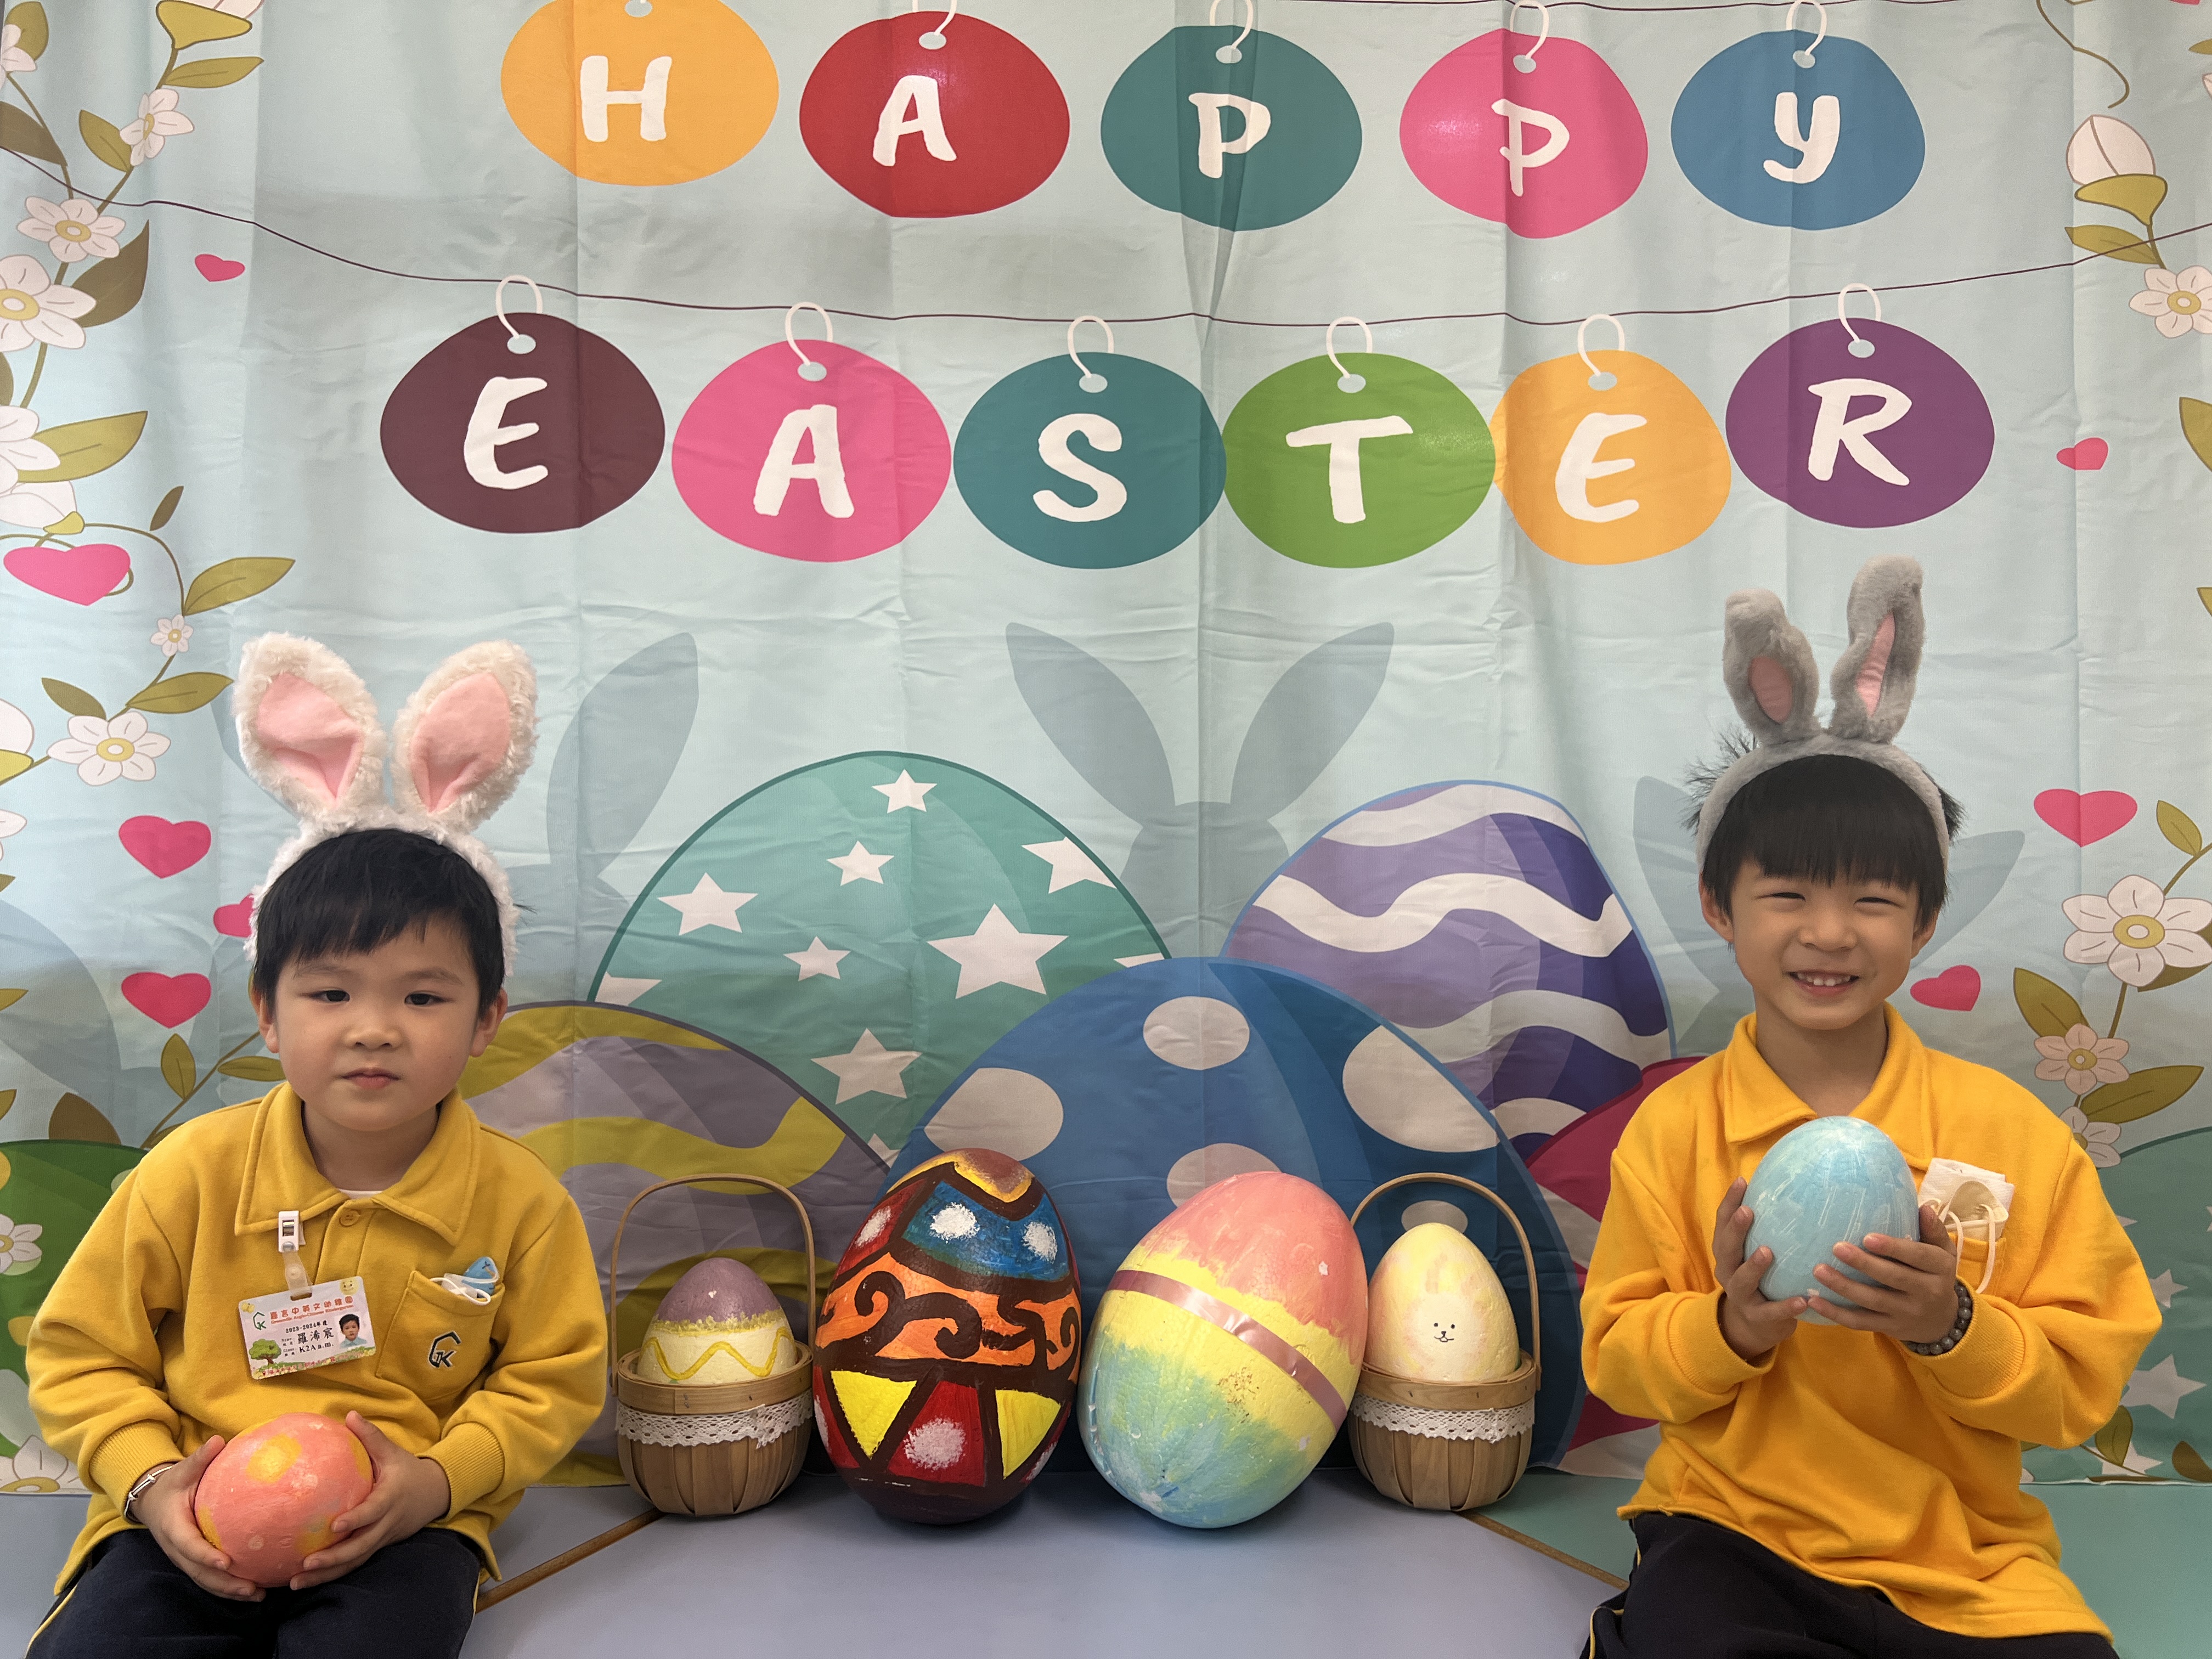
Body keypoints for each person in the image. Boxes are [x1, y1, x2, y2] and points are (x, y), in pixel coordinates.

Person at [1580, 560, 2160, 1658]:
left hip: (1966, 1559)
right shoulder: (1677, 1129)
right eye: (1787, 894)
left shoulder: (2011, 1137)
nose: (1830, 932)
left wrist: (1952, 1327)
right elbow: (1616, 1360)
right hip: (1733, 1531)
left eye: (1875, 899)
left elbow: (2077, 1389)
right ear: (1718, 905)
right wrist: (1728, 1327)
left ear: (1926, 920)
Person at [26, 637, 605, 1658]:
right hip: (186, 1515)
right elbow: (82, 1353)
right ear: (268, 1010)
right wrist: (151, 1483)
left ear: (487, 1019)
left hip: (402, 1524)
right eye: (330, 992)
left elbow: (550, 1380)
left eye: (422, 997)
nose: (373, 1029)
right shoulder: (191, 1173)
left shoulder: (520, 1203)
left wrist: (440, 1482)